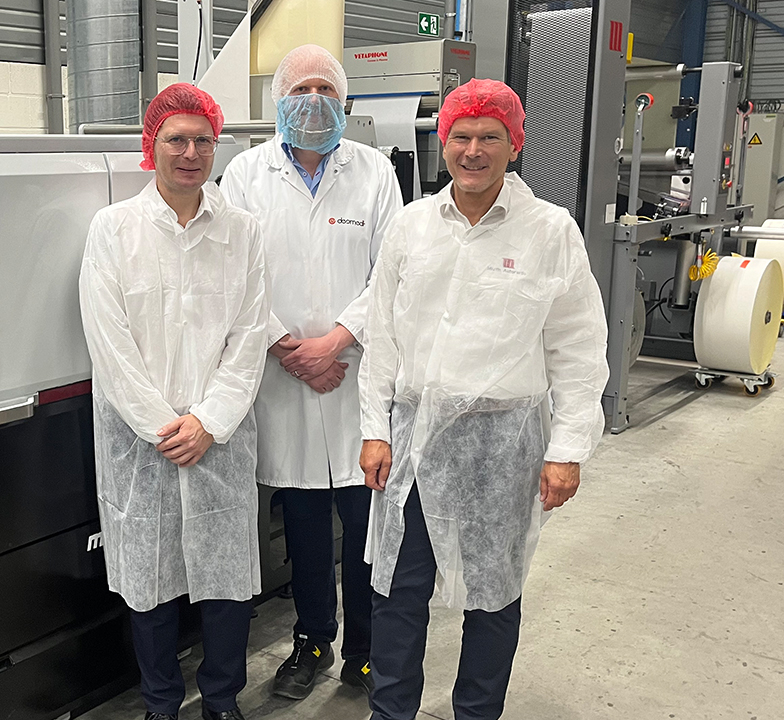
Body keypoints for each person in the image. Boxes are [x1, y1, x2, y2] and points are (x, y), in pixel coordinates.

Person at [357, 78, 610, 720]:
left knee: (492, 597)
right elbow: (382, 337)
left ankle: (477, 712)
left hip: (501, 448)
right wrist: (374, 429)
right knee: (398, 591)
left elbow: (579, 348)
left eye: (489, 137)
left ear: (513, 144)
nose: (473, 151)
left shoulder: (549, 231)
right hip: (414, 442)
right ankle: (391, 712)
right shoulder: (412, 226)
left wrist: (568, 450)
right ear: (443, 143)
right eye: (461, 136)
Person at [78, 83, 270, 720]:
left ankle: (221, 701)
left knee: (226, 583)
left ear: (216, 147)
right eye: (176, 140)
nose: (190, 153)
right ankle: (161, 704)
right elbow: (108, 343)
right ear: (151, 145)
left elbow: (249, 337)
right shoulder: (114, 230)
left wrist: (208, 422)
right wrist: (165, 425)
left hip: (220, 437)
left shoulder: (242, 232)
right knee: (150, 583)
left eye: (202, 141)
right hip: (144, 443)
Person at [221, 44, 403, 700]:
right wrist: (287, 348)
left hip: (356, 377)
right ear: (279, 99)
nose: (314, 99)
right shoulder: (245, 175)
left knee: (364, 526)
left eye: (327, 88)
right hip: (283, 376)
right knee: (302, 527)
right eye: (302, 89)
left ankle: (365, 650)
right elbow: (231, 273)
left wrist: (336, 342)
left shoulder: (375, 172)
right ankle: (313, 640)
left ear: (345, 99)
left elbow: (392, 274)